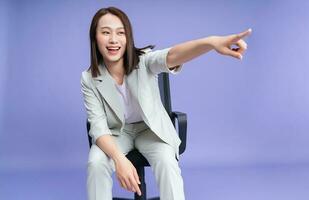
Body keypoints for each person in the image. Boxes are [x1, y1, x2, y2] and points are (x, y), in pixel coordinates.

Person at [81, 6, 251, 200]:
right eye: (105, 32)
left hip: (151, 130)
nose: (113, 39)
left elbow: (173, 55)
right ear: (95, 38)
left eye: (120, 33)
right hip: (116, 134)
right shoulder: (89, 79)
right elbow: (98, 128)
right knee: (96, 163)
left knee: (167, 161)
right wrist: (120, 160)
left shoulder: (144, 60)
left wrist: (211, 43)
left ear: (128, 38)